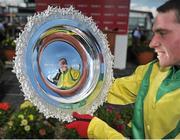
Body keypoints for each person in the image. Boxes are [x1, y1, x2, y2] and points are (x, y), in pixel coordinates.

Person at [65, 0, 180, 139]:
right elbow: (115, 88)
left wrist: (96, 129)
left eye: (163, 33)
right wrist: (78, 77)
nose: (151, 43)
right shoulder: (154, 69)